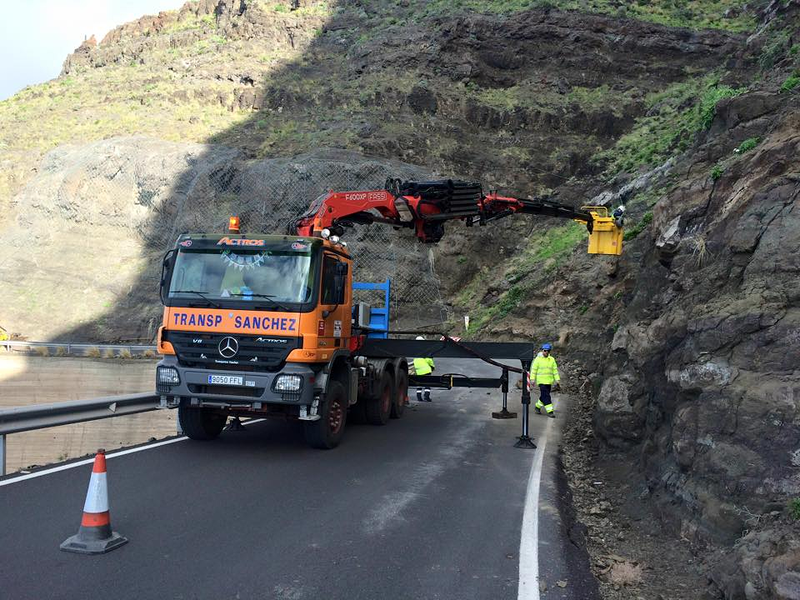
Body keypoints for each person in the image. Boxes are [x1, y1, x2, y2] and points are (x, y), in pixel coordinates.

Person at [530, 343, 560, 418]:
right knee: (546, 396)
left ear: (549, 351)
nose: (546, 352)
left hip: (549, 381)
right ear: (542, 350)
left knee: (544, 395)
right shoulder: (538, 359)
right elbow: (534, 370)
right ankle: (550, 411)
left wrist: (557, 379)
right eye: (545, 350)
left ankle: (537, 407)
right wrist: (532, 379)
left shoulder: (552, 360)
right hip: (541, 382)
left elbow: (555, 370)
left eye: (547, 351)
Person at [412, 336, 434, 402]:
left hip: (418, 371)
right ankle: (426, 397)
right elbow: (429, 360)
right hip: (426, 370)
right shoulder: (425, 350)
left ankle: (419, 397)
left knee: (419, 384)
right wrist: (432, 366)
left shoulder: (414, 350)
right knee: (427, 383)